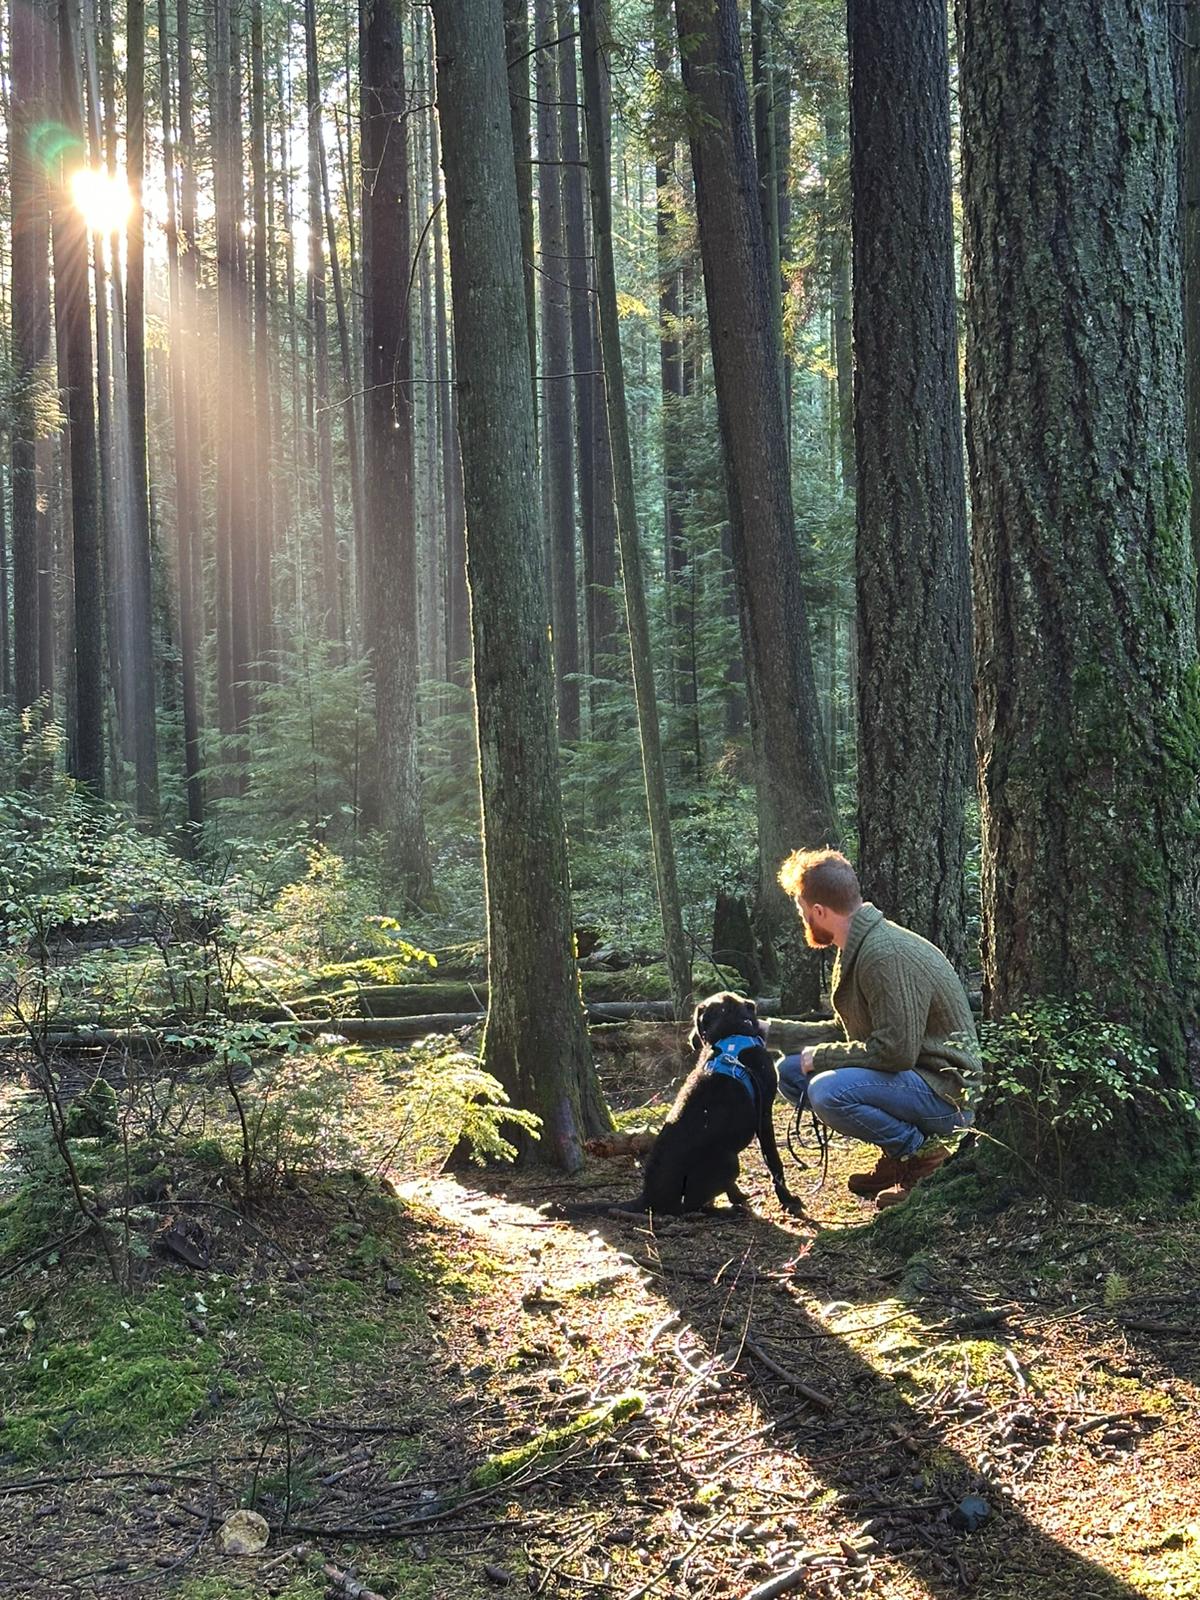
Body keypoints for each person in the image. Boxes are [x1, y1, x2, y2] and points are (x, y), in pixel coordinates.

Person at [773, 848, 980, 1210]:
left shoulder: (883, 954)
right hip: (915, 1080)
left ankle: (920, 1158)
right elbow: (845, 1030)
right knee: (789, 1072)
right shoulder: (858, 943)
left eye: (802, 910)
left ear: (819, 911)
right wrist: (767, 1032)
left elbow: (894, 1051)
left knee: (826, 1091)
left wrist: (820, 1058)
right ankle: (897, 1154)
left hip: (948, 1094)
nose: (803, 918)